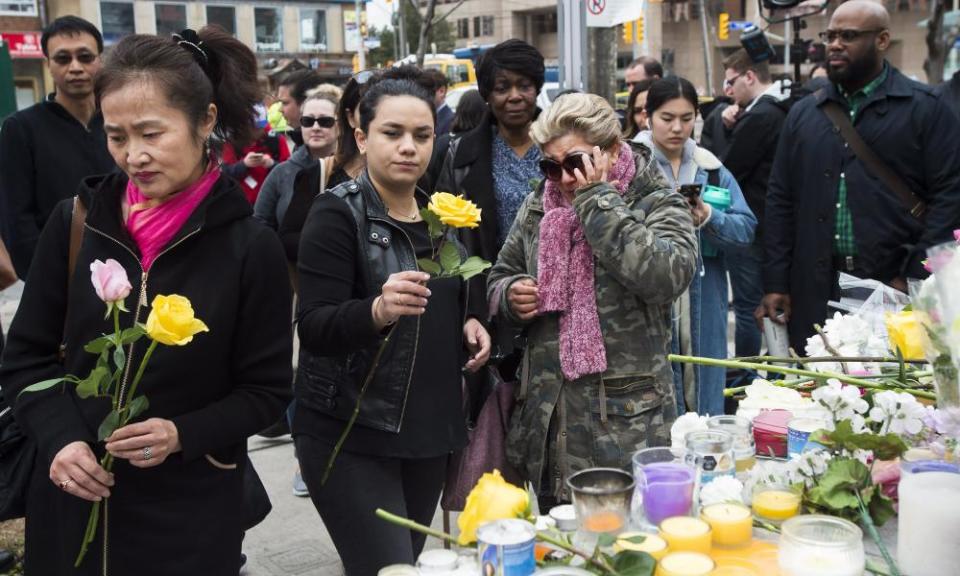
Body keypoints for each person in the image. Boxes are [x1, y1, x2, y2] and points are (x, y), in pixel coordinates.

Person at [0, 28, 292, 575]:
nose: (134, 156)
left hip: (190, 511)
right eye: (116, 137)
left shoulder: (251, 247)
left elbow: (268, 390)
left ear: (205, 120)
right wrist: (61, 441)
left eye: (152, 133)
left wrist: (183, 433)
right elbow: (25, 362)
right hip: (74, 500)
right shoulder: (76, 224)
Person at [292, 76, 490, 576]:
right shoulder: (338, 213)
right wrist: (375, 312)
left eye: (422, 135)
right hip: (354, 433)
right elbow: (313, 326)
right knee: (388, 568)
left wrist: (472, 319)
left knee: (410, 565)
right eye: (392, 132)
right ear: (361, 137)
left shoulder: (442, 215)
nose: (408, 146)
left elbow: (455, 294)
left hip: (428, 432)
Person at [487, 92, 698, 506]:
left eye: (575, 163)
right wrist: (511, 297)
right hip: (549, 423)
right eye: (550, 166)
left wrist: (598, 200)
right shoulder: (539, 205)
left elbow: (666, 277)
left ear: (612, 150)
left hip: (623, 429)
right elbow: (500, 275)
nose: (563, 178)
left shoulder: (657, 202)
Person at [759, 0, 960, 351]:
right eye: (831, 35)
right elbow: (780, 198)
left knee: (894, 398)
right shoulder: (805, 113)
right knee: (817, 394)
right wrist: (777, 281)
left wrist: (913, 278)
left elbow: (950, 197)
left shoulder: (925, 108)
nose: (835, 44)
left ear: (882, 40)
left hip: (892, 286)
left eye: (849, 36)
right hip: (814, 287)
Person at [634, 78, 756, 416]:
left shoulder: (711, 169)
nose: (677, 128)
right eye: (667, 117)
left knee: (704, 402)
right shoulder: (628, 167)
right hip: (646, 303)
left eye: (686, 119)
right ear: (647, 116)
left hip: (704, 297)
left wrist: (708, 217)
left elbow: (745, 231)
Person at [0, 16, 115, 278]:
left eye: (85, 57)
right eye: (63, 59)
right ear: (48, 64)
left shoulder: (118, 123)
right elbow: (16, 218)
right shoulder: (21, 128)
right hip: (57, 275)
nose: (75, 67)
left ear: (100, 60)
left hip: (123, 269)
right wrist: (44, 278)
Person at [719, 50, 788, 366]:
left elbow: (729, 168)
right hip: (774, 226)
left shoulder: (761, 116)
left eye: (731, 81)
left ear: (750, 76)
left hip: (753, 226)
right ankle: (775, 373)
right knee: (768, 307)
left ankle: (746, 376)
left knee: (752, 308)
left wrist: (728, 128)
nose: (727, 90)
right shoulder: (784, 108)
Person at [255, 91, 339, 231]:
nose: (315, 127)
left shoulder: (355, 171)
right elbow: (260, 224)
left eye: (325, 121)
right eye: (308, 121)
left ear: (340, 125)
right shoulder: (281, 172)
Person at [426, 68, 455, 135]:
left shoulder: (450, 121)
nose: (422, 96)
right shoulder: (427, 116)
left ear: (441, 91)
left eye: (427, 91)